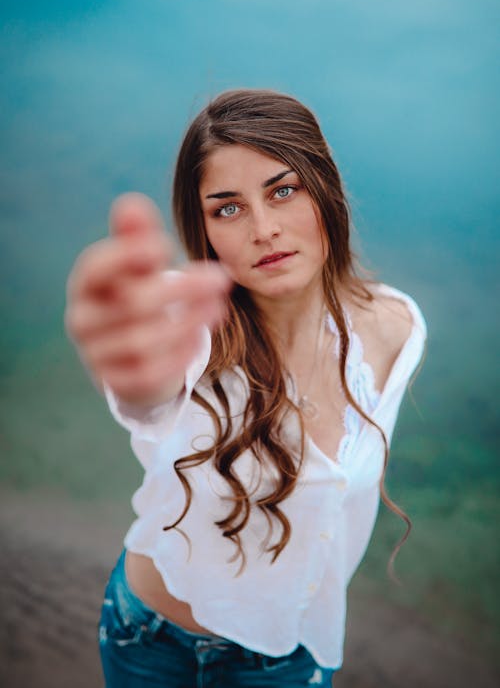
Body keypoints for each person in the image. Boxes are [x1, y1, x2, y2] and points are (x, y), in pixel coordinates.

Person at [65, 89, 426, 687]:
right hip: (148, 637)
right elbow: (148, 396)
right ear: (202, 230)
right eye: (227, 208)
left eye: (284, 190)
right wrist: (135, 382)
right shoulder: (189, 330)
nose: (264, 229)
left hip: (287, 655)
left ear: (325, 189)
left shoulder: (397, 331)